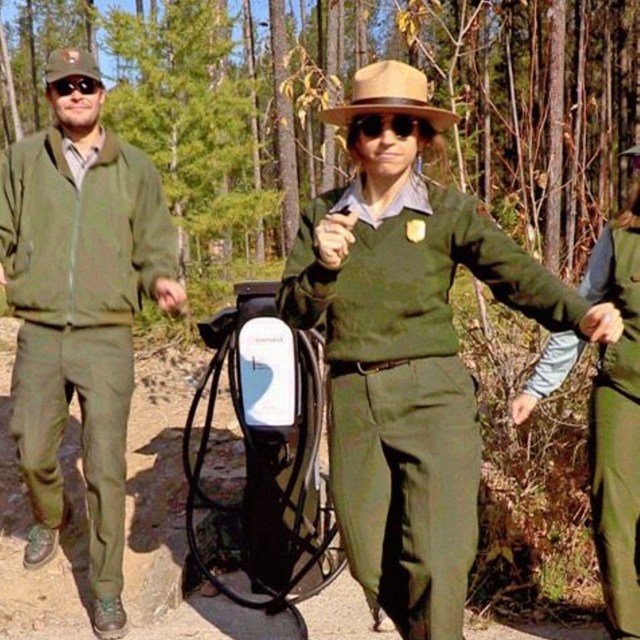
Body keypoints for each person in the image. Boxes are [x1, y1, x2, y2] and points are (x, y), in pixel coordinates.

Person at [276, 59, 624, 640]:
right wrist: (321, 266)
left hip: (433, 394)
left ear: (423, 138)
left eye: (402, 125)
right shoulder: (324, 215)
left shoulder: (448, 212)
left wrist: (577, 311)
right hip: (353, 396)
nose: (386, 136)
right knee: (367, 557)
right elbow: (292, 312)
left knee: (437, 558)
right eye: (371, 124)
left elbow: (516, 275)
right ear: (353, 138)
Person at [0, 47, 186, 640]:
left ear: (103, 93)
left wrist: (159, 275)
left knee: (105, 466)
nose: (75, 94)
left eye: (86, 84)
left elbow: (155, 239)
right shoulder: (22, 160)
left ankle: (106, 591)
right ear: (50, 97)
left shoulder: (135, 167)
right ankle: (52, 515)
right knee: (31, 449)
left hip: (108, 335)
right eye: (63, 86)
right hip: (42, 329)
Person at [511, 150, 640, 640]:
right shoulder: (620, 238)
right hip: (623, 392)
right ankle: (629, 627)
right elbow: (580, 315)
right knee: (615, 516)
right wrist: (537, 388)